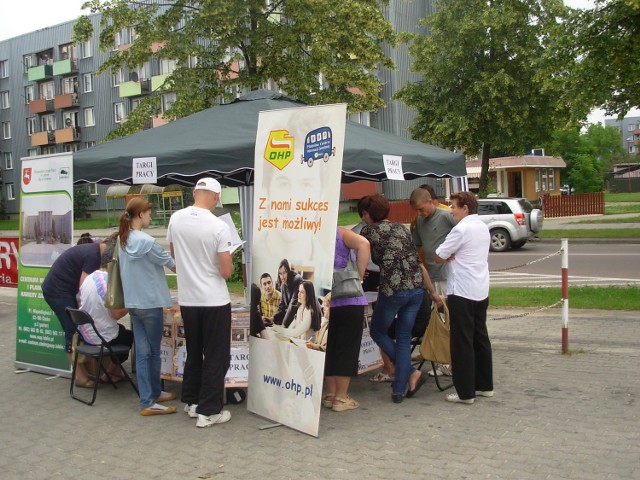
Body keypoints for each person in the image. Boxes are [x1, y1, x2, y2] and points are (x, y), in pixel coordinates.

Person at [360, 194, 441, 403]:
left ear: (367, 214)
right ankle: (399, 390)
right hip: (416, 289)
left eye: (363, 215)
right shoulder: (401, 228)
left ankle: (412, 373)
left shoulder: (368, 231)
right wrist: (432, 292)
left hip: (394, 290)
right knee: (404, 337)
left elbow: (361, 257)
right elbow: (416, 262)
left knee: (378, 331)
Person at [167, 177, 234, 428]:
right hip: (214, 300)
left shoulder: (175, 218)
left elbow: (174, 254)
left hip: (188, 298)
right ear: (216, 197)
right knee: (216, 356)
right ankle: (209, 411)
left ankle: (192, 401)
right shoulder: (218, 226)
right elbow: (226, 272)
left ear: (195, 193)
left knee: (194, 351)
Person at [119, 197, 177, 416]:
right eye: (149, 213)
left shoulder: (123, 240)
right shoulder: (148, 242)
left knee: (143, 352)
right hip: (151, 304)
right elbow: (172, 264)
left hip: (133, 303)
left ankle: (150, 395)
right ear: (141, 215)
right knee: (152, 352)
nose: (151, 217)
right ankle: (150, 399)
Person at [435, 191, 493, 405]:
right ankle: (485, 385)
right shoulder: (482, 227)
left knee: (462, 342)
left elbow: (438, 255)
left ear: (465, 208)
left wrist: (447, 255)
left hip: (461, 290)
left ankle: (465, 392)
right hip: (480, 288)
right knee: (480, 337)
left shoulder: (461, 229)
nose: (451, 210)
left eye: (454, 206)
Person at [41, 233, 117, 388]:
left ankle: (89, 370)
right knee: (72, 330)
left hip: (62, 289)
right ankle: (79, 377)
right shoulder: (93, 256)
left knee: (79, 328)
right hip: (57, 292)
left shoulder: (93, 251)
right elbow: (83, 290)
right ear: (109, 247)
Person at [410, 186, 456, 376]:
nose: (420, 213)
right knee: (434, 319)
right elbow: (417, 245)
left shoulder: (445, 216)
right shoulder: (420, 221)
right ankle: (433, 353)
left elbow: (462, 236)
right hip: (430, 276)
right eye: (417, 211)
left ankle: (449, 361)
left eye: (422, 208)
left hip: (446, 275)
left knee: (448, 319)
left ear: (431, 202)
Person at [323, 227, 370, 412]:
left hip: (325, 301)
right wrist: (358, 274)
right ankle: (341, 398)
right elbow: (364, 243)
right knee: (346, 348)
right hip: (350, 299)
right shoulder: (340, 232)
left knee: (329, 347)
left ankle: (330, 394)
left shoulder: (311, 232)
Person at [77, 242, 133, 383]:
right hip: (101, 337)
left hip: (86, 333)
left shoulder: (90, 278)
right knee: (129, 336)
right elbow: (116, 314)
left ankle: (112, 373)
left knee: (120, 330)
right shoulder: (109, 283)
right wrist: (132, 304)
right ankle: (110, 374)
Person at [351, 197, 381, 292]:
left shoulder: (386, 228)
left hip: (385, 275)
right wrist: (355, 271)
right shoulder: (356, 232)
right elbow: (348, 256)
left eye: (365, 214)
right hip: (368, 275)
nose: (363, 217)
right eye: (363, 214)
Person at [272, 259, 303, 326]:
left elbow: (293, 304)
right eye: (280, 273)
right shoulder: (283, 285)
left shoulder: (297, 279)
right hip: (293, 315)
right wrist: (273, 317)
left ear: (288, 271)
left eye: (284, 272)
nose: (282, 276)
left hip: (301, 313)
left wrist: (284, 324)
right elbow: (282, 305)